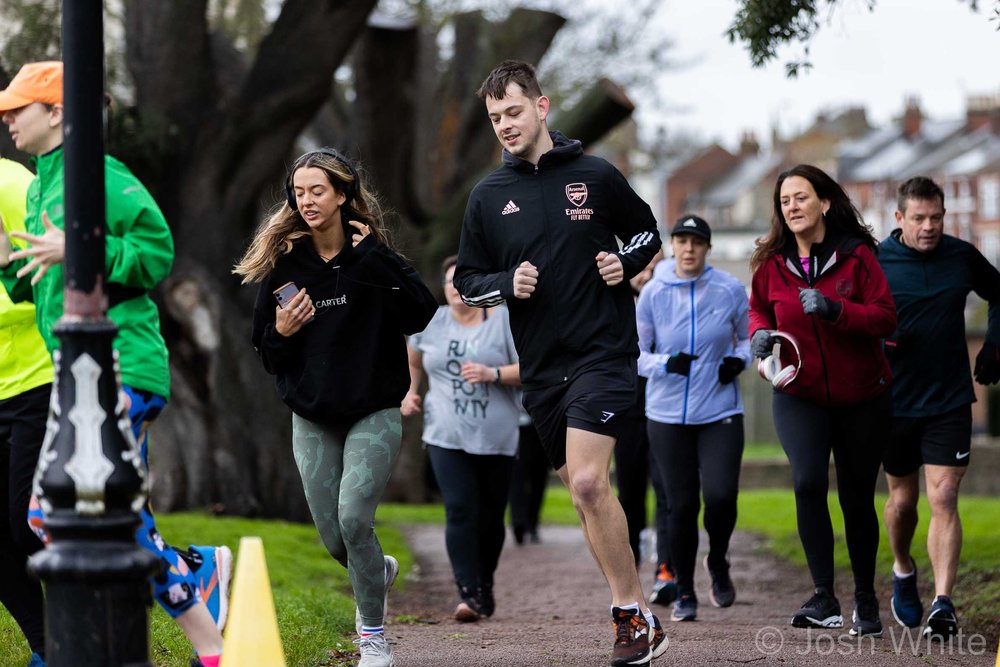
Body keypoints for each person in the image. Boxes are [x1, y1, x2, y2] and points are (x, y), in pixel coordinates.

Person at [0, 61, 230, 667]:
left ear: (56, 112)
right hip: (77, 378)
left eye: (16, 108)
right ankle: (190, 600)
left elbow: (156, 253)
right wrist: (8, 256)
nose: (5, 118)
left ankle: (201, 631)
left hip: (124, 367)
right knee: (91, 511)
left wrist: (79, 247)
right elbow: (38, 288)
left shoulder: (100, 174)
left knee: (57, 510)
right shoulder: (44, 186)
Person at [454, 60, 667, 666]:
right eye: (495, 118)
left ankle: (628, 612)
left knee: (587, 480)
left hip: (603, 351)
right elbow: (467, 280)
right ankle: (639, 612)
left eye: (514, 113)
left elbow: (646, 232)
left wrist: (623, 265)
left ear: (542, 108)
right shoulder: (487, 197)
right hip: (543, 368)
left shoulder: (595, 176)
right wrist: (505, 281)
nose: (505, 127)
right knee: (583, 494)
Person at [234, 147, 436, 667]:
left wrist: (379, 257)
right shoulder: (286, 267)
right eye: (299, 192)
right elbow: (267, 354)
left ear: (343, 194)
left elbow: (421, 312)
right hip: (313, 415)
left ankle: (372, 636)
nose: (306, 201)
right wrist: (281, 331)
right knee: (334, 538)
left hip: (373, 409)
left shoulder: (373, 257)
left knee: (352, 518)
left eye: (317, 190)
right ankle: (377, 569)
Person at [748, 164, 896, 638]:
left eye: (801, 198)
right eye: (785, 201)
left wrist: (836, 310)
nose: (791, 207)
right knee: (808, 481)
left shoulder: (857, 257)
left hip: (861, 397)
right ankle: (823, 597)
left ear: (825, 203)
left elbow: (885, 318)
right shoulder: (772, 262)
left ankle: (867, 602)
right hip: (799, 392)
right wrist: (758, 336)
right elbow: (758, 309)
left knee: (856, 498)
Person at [877, 176, 1000, 639]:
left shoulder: (961, 256)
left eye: (936, 218)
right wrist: (881, 340)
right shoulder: (877, 262)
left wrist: (995, 343)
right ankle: (903, 566)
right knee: (903, 502)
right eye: (919, 218)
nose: (928, 227)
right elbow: (851, 318)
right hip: (894, 401)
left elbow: (999, 292)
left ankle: (943, 602)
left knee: (944, 495)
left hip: (949, 398)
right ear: (899, 219)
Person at [637, 215, 749, 622]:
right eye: (681, 241)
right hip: (666, 415)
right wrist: (667, 363)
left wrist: (739, 360)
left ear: (707, 248)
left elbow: (747, 337)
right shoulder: (653, 292)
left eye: (696, 242)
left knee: (721, 496)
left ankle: (717, 560)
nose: (688, 249)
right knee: (681, 505)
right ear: (672, 245)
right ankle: (685, 590)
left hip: (719, 409)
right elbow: (636, 354)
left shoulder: (730, 289)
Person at [402, 254, 521, 622]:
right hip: (445, 432)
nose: (455, 289)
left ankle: (484, 583)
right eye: (450, 282)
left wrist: (493, 373)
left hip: (496, 434)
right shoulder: (431, 321)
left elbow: (533, 367)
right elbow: (413, 359)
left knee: (490, 516)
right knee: (459, 509)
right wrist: (410, 391)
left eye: (463, 282)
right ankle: (466, 592)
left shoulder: (503, 319)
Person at [0, 154, 50, 667]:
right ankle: (46, 646)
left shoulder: (16, 187)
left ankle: (184, 577)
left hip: (38, 376)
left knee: (27, 520)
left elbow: (51, 284)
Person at [508, 405, 549, 545]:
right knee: (517, 477)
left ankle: (532, 523)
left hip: (543, 426)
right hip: (519, 428)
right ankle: (518, 521)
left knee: (539, 479)